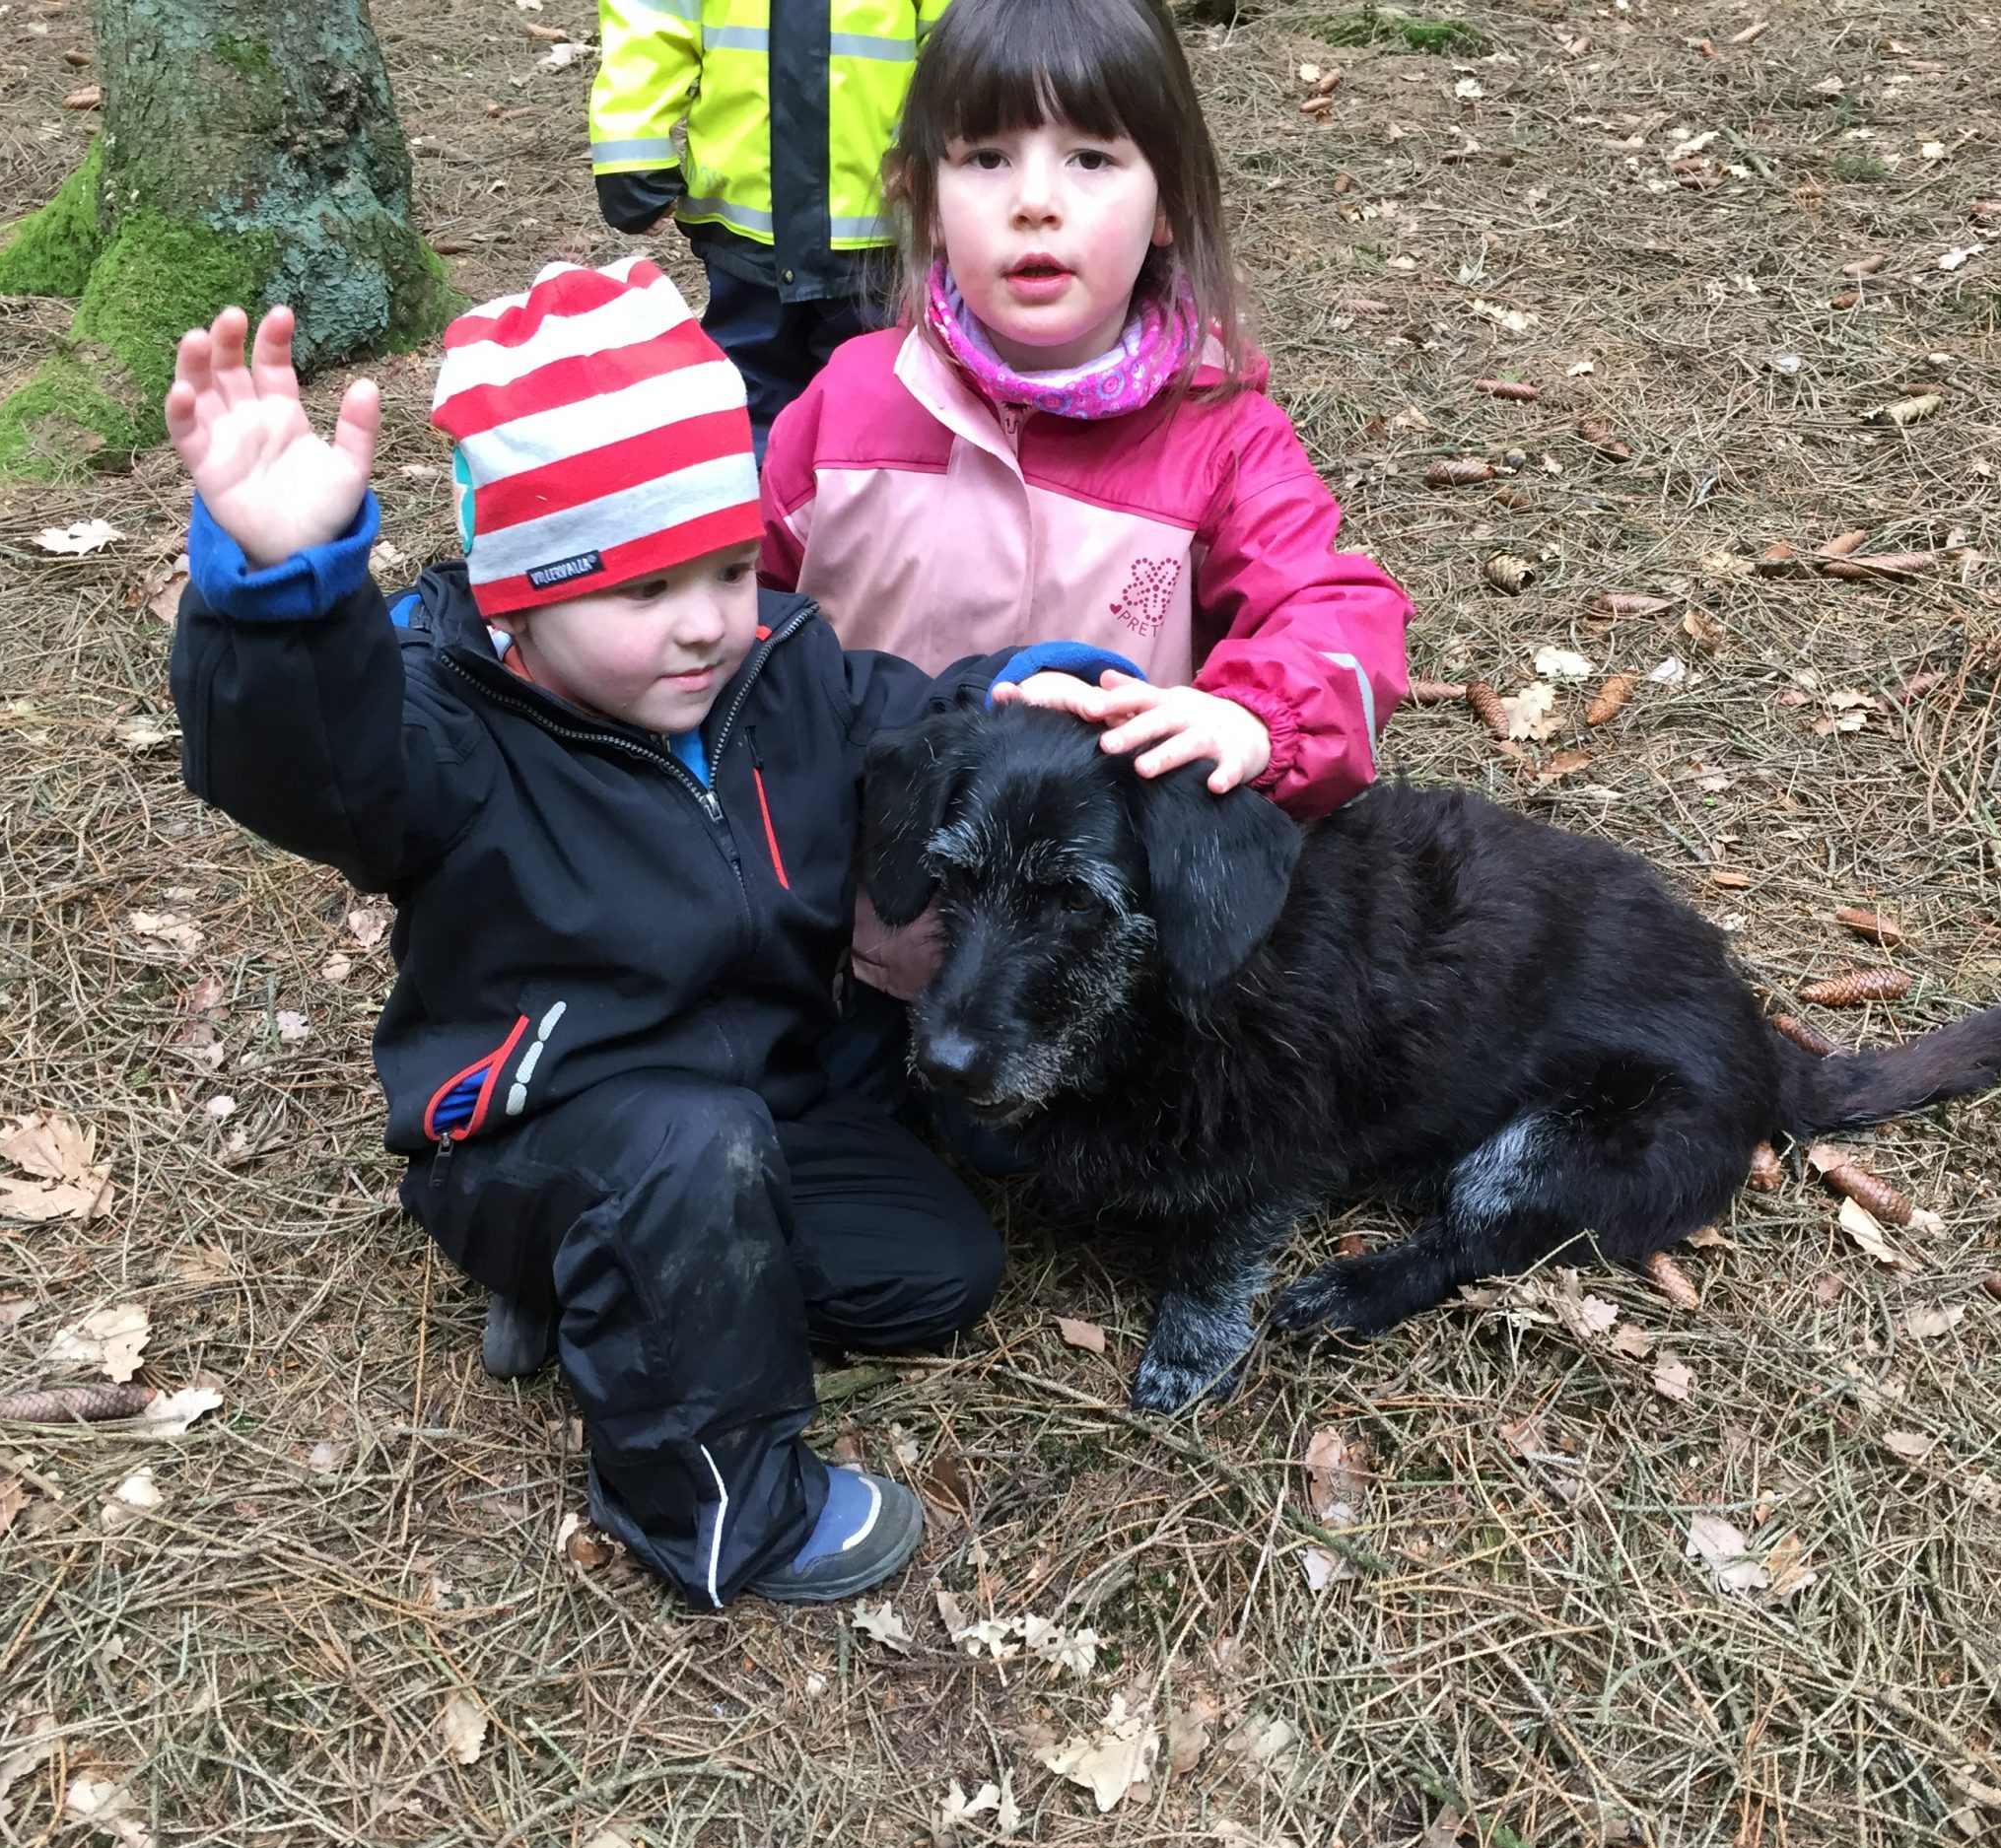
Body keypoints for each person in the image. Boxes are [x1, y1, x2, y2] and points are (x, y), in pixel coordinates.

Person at [162, 258, 1123, 1608]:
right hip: (539, 1134)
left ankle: (608, 1295)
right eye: (641, 590)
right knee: (685, 1153)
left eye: (728, 569)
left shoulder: (780, 670)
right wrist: (287, 595)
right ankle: (719, 1508)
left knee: (937, 1268)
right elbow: (305, 765)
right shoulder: (447, 730)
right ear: (521, 598)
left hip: (759, 1116)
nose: (705, 625)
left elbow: (928, 727)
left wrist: (1036, 693)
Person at [759, 0, 1412, 1018]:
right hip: (832, 921)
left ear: (1169, 203)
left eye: (1092, 158)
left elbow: (1337, 614)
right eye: (985, 157)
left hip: (1066, 971)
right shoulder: (845, 405)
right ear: (921, 200)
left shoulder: (1223, 440)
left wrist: (1253, 715)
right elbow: (739, 608)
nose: (1035, 202)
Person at [590, 0, 944, 455]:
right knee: (752, 405)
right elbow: (652, 16)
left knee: (878, 412)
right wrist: (632, 149)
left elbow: (963, 33)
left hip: (881, 227)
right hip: (753, 227)